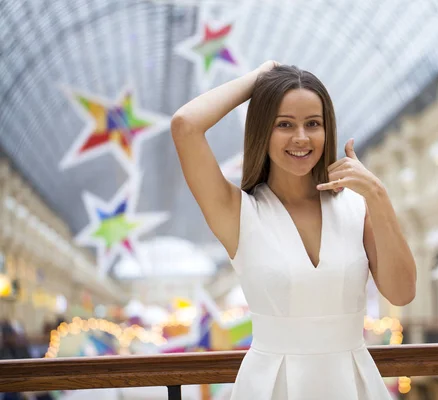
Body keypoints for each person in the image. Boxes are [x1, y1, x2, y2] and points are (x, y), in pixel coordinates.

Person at [171, 61, 417, 399]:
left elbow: (402, 292)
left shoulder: (357, 207)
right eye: (284, 124)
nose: (301, 138)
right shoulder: (238, 213)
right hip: (271, 387)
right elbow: (185, 125)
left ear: (326, 130)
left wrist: (378, 195)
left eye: (313, 124)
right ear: (262, 130)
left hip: (354, 384)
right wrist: (259, 80)